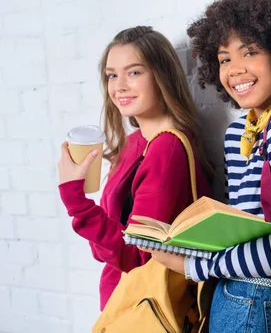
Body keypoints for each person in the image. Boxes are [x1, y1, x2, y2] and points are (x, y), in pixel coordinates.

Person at [144, 0, 271, 333]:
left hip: (259, 300)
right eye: (224, 58)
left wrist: (194, 266)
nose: (234, 69)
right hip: (236, 294)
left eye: (249, 52)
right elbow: (244, 230)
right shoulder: (242, 130)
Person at [57, 26, 212, 310]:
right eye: (112, 75)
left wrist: (76, 201)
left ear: (162, 76)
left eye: (134, 72)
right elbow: (103, 249)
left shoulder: (167, 149)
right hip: (121, 305)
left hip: (145, 309)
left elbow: (136, 256)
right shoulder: (133, 144)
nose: (119, 86)